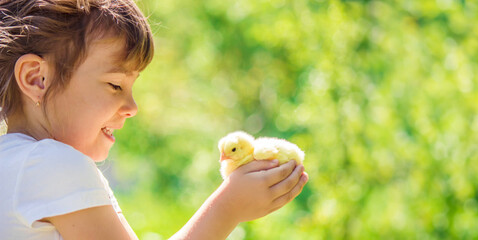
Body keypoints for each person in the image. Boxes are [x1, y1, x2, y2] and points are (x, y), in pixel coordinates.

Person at [0, 0, 309, 239]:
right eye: (115, 85)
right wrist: (227, 209)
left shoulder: (13, 164)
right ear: (36, 78)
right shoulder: (52, 163)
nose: (132, 106)